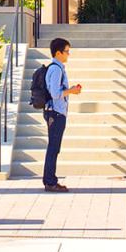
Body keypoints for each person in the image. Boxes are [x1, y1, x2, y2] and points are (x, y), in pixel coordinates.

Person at [42, 36, 82, 192]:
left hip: (56, 112)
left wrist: (70, 90)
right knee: (53, 147)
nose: (68, 54)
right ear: (58, 53)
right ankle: (50, 182)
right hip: (56, 113)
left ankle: (50, 180)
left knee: (54, 147)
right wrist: (71, 91)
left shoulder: (57, 68)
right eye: (66, 51)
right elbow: (55, 93)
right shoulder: (56, 69)